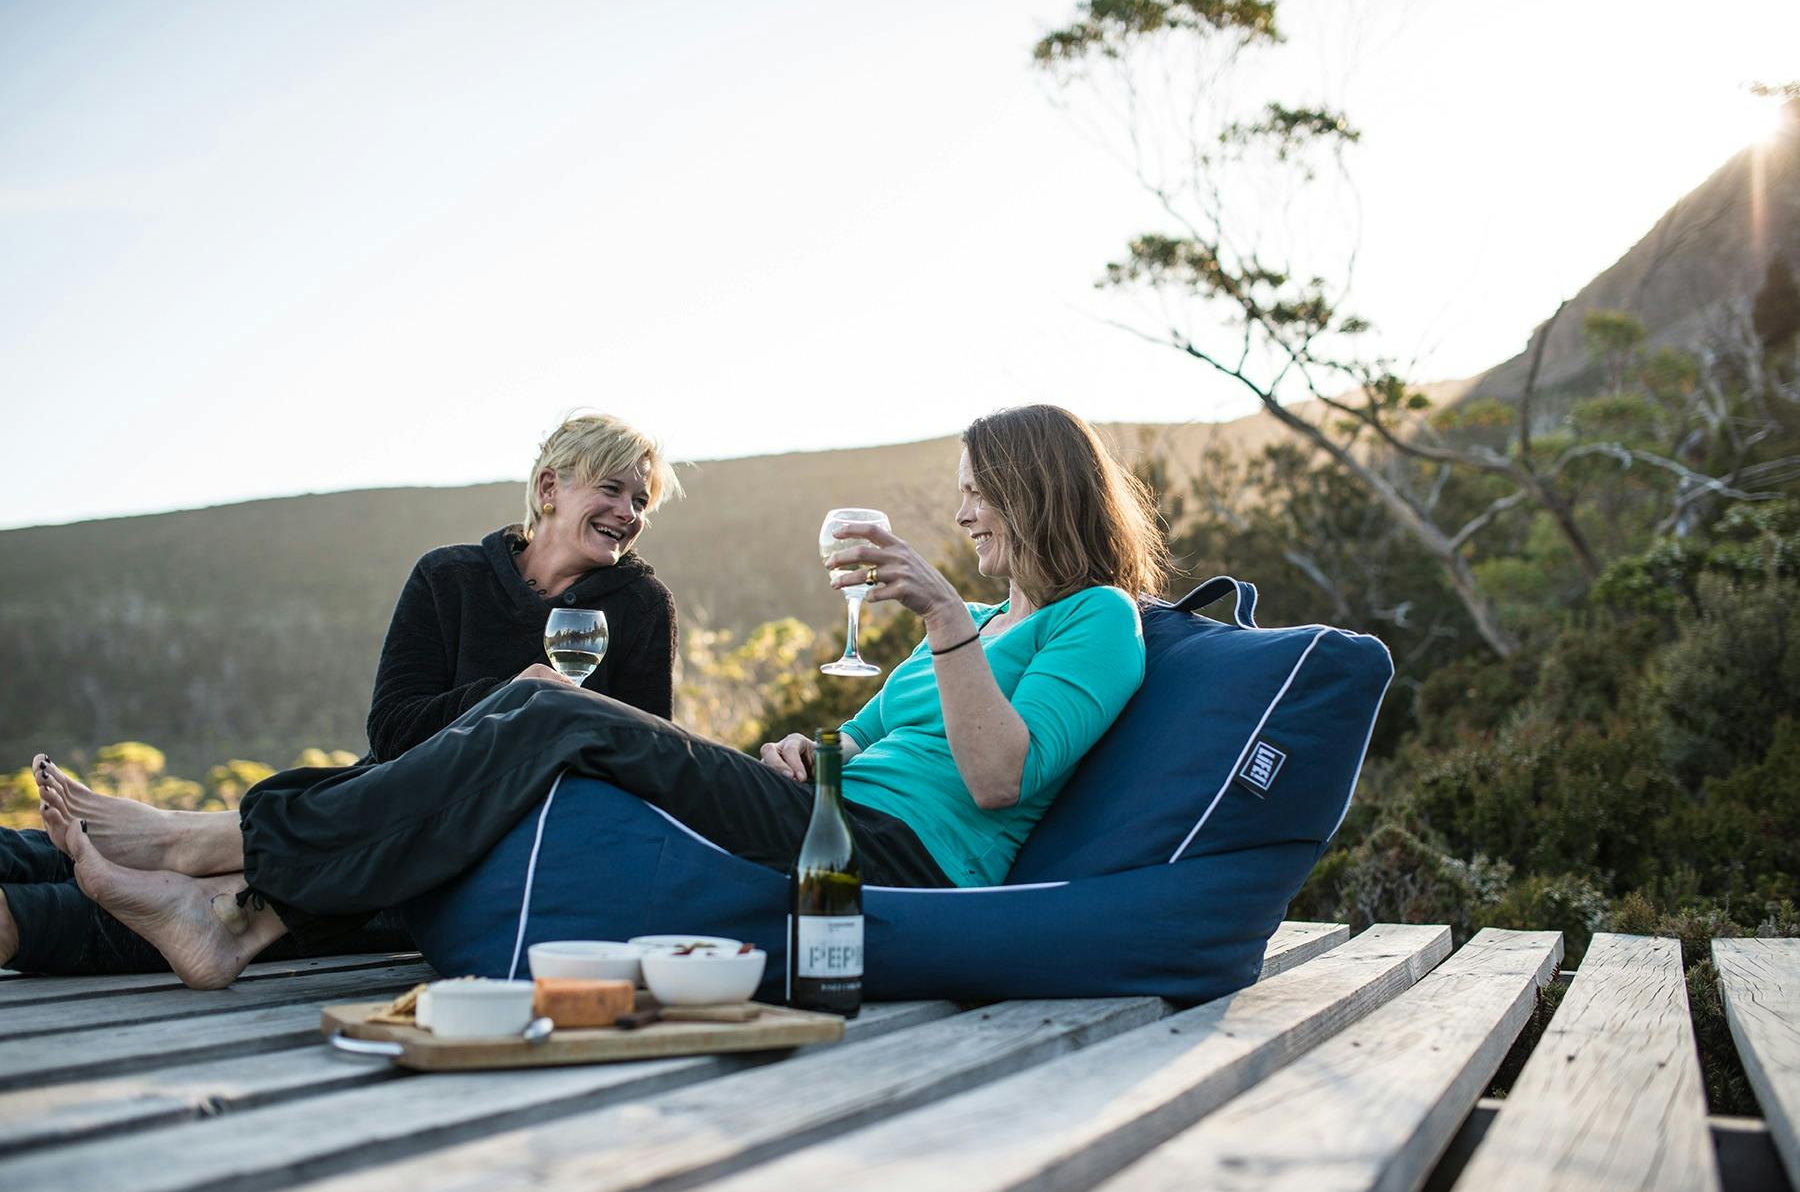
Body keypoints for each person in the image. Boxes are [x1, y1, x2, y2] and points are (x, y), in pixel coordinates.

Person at [35, 405, 1167, 989]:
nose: (964, 520)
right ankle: (241, 912)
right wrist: (796, 749)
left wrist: (944, 618)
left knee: (548, 711)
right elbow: (857, 741)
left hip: (894, 858)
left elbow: (996, 775)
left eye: (979, 498)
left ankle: (205, 854)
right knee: (541, 726)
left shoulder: (1095, 620)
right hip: (831, 811)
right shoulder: (987, 629)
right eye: (962, 500)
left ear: (1032, 492)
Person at [3, 413, 682, 975]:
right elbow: (394, 730)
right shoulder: (451, 578)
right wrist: (510, 694)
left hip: (491, 850)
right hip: (376, 812)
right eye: (613, 490)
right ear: (548, 487)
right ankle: (195, 869)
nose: (628, 513)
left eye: (641, 502)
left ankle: (188, 842)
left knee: (109, 899)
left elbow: (646, 766)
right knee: (58, 855)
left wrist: (537, 712)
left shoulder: (640, 606)